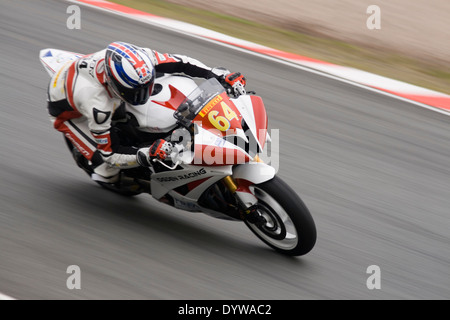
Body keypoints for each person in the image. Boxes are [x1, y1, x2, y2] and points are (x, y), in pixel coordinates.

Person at [47, 41, 246, 185]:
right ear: (114, 85)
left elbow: (182, 63)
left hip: (96, 80)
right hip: (69, 112)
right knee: (107, 171)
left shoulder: (142, 59)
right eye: (137, 92)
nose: (145, 94)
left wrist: (218, 75)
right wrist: (146, 154)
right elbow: (110, 154)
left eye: (146, 86)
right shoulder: (97, 104)